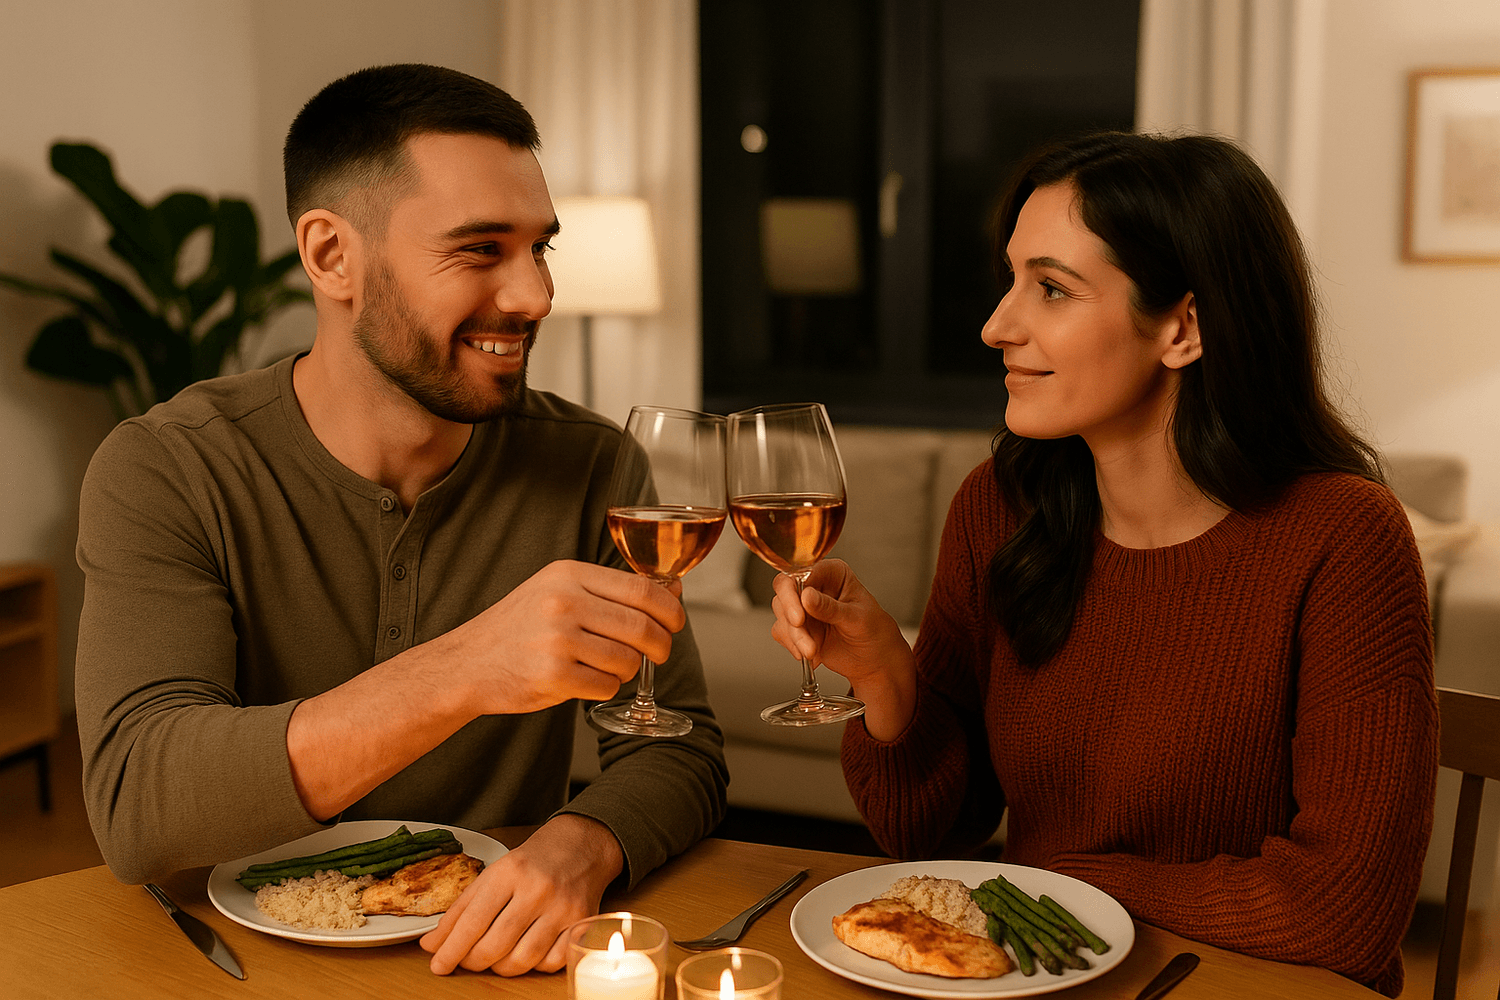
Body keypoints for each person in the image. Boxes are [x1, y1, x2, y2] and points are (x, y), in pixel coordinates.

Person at [73, 63, 727, 977]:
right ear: (331, 256)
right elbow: (140, 804)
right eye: (479, 250)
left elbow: (680, 745)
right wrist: (469, 667)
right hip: (228, 961)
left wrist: (585, 842)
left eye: (540, 247)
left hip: (492, 959)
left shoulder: (593, 465)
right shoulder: (167, 467)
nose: (535, 295)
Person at [767, 131, 1437, 997]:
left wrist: (1067, 886)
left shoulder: (1344, 538)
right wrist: (889, 681)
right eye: (1011, 280)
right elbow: (927, 838)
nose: (996, 325)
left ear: (1182, 328)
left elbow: (1347, 911)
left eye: (1050, 288)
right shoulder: (1000, 507)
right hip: (1056, 979)